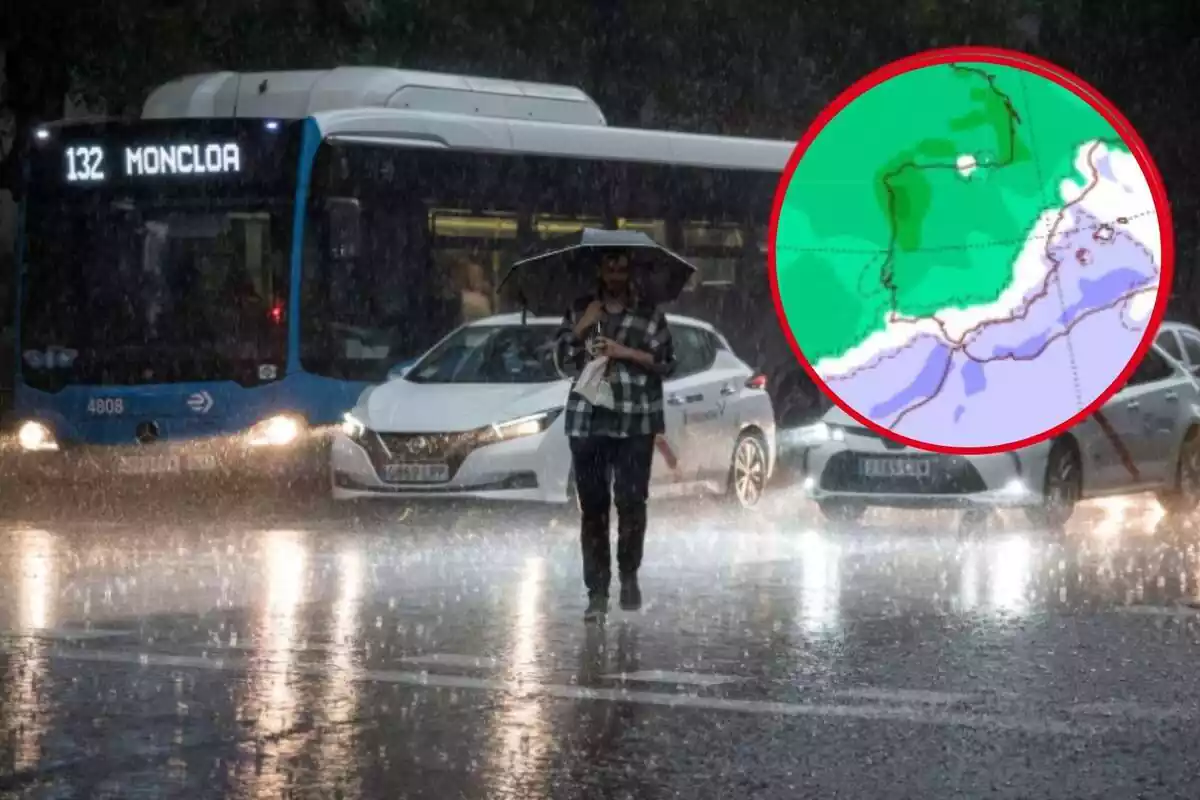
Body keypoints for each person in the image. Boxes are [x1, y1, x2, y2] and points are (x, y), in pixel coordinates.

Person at [555, 251, 676, 621]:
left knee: (631, 502)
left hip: (635, 422)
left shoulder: (650, 315)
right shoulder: (581, 309)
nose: (617, 276)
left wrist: (625, 352)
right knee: (592, 510)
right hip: (587, 421)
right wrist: (582, 327)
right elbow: (560, 361)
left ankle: (628, 573)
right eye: (611, 268)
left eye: (624, 269)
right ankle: (596, 593)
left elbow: (668, 363)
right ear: (600, 271)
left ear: (631, 272)